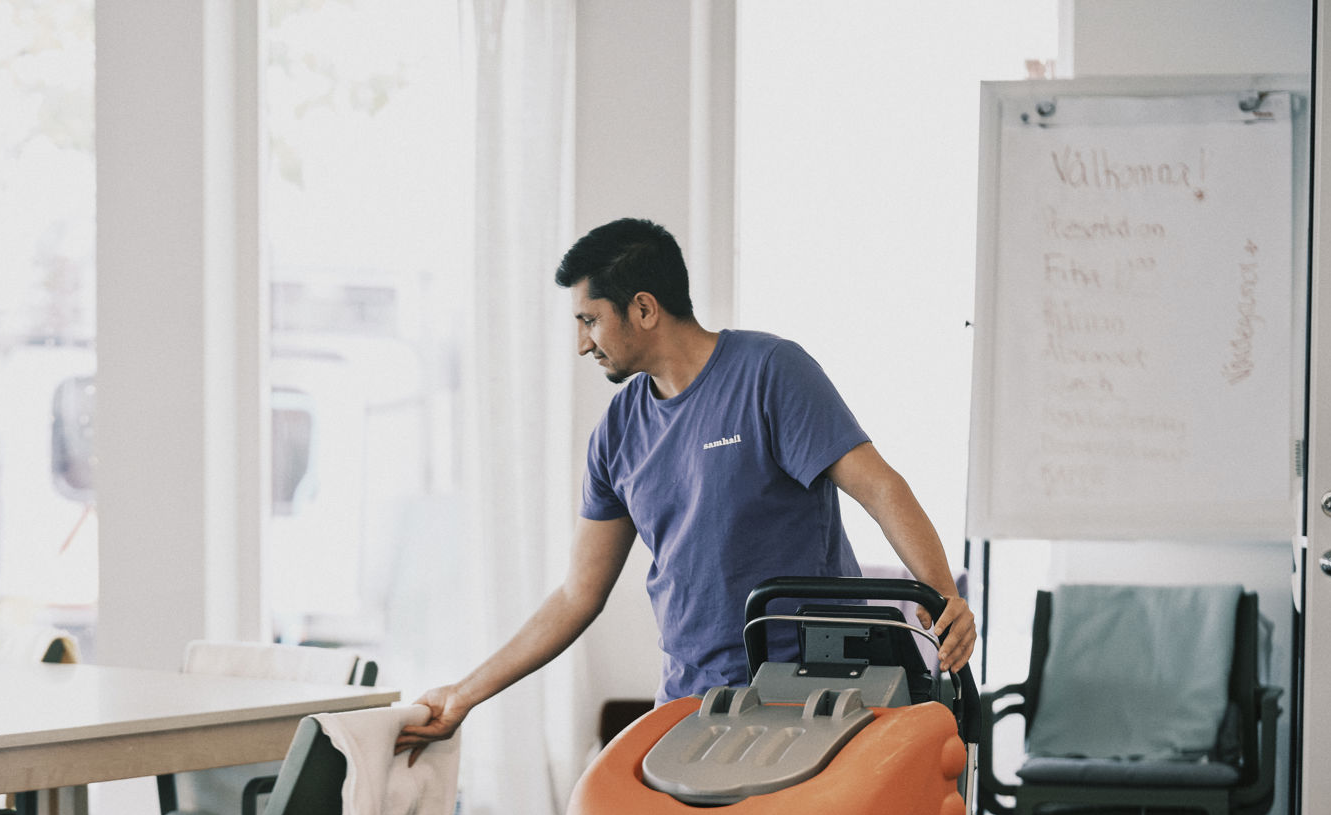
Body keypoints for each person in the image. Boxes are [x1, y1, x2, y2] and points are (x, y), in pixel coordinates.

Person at [397, 217, 975, 754]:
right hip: (690, 700)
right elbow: (578, 594)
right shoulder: (618, 433)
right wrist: (464, 694)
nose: (582, 343)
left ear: (643, 308)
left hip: (811, 693)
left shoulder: (770, 373)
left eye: (589, 319)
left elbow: (880, 489)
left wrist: (944, 595)